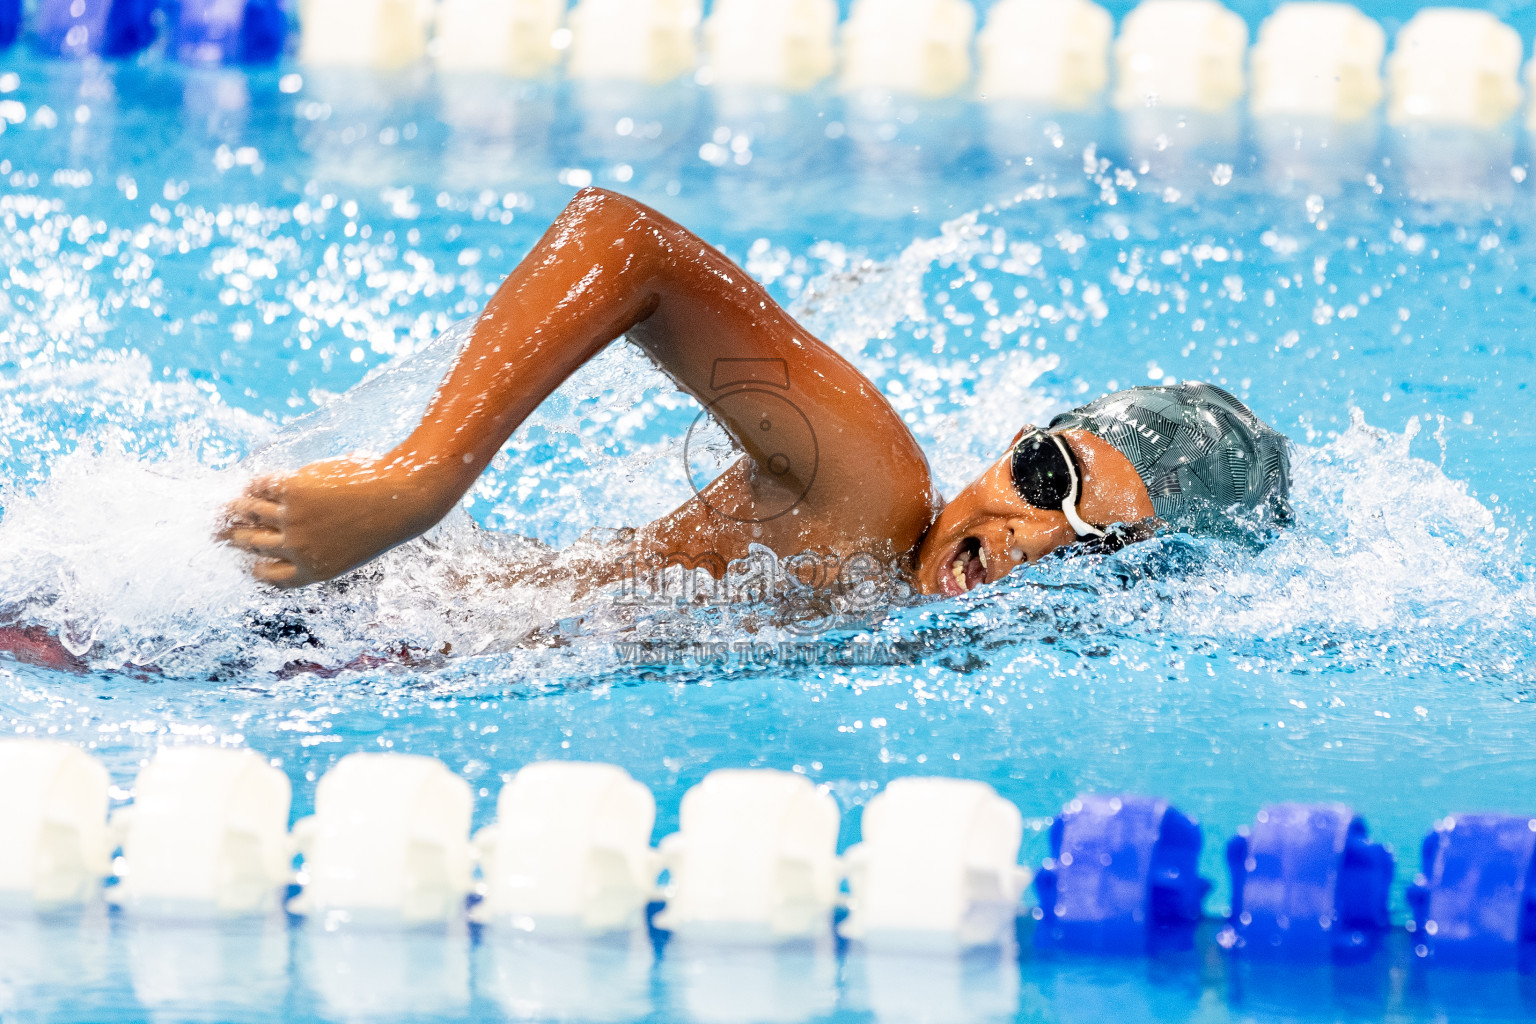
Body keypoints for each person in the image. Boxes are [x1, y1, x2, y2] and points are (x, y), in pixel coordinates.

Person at [221, 189, 1292, 599]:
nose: (1032, 533)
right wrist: (419, 478)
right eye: (1047, 475)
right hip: (323, 604)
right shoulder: (867, 488)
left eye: (1095, 541)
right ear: (1014, 445)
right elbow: (620, 241)